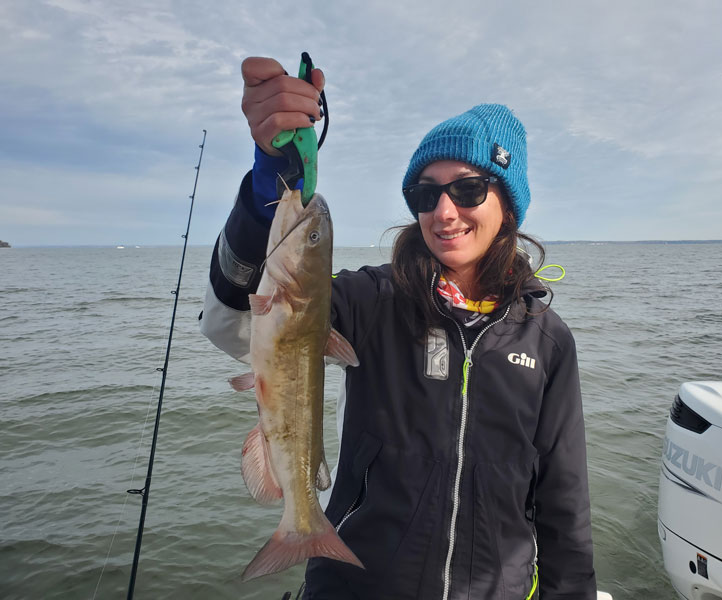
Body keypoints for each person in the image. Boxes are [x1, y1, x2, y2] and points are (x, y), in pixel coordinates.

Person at [200, 57, 597, 600]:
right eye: (425, 194)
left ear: (508, 202)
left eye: (469, 189)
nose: (444, 211)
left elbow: (564, 500)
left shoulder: (548, 341)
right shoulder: (370, 298)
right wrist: (269, 182)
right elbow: (233, 325)